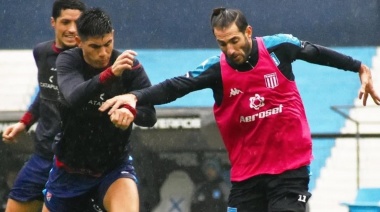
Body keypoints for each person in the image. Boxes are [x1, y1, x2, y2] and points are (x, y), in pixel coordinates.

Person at [99, 7, 380, 212]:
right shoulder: (216, 70)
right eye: (222, 44)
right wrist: (136, 96)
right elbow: (175, 86)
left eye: (234, 41)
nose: (230, 49)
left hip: (290, 169)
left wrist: (358, 67)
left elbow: (317, 53)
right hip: (247, 176)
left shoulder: (279, 47)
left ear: (248, 32)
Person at [42, 8, 156, 212]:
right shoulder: (68, 61)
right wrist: (110, 73)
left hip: (113, 169)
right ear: (79, 41)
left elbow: (150, 116)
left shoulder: (130, 66)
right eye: (94, 47)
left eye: (107, 44)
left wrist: (132, 112)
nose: (103, 53)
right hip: (68, 171)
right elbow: (74, 96)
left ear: (113, 36)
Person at [1, 1, 86, 211]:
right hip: (43, 155)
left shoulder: (90, 57)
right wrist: (23, 123)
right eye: (66, 22)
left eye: (78, 23)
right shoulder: (42, 52)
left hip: (77, 162)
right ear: (53, 22)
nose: (72, 29)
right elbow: (46, 92)